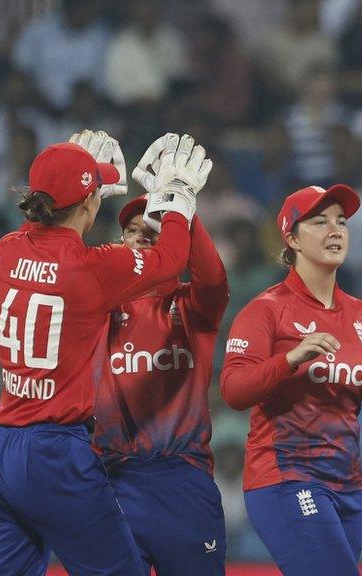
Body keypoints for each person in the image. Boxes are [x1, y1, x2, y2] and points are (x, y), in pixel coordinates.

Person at [0, 131, 210, 575]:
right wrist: (178, 200)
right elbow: (172, 255)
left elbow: (45, 235)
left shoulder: (7, 250)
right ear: (88, 203)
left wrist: (74, 178)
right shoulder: (93, 268)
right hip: (54, 456)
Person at [221, 185, 362, 576]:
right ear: (291, 237)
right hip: (285, 477)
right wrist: (289, 359)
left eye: (342, 222)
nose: (336, 230)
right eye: (320, 221)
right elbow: (234, 390)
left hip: (348, 486)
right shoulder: (265, 311)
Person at [91, 191, 229, 575]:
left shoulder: (193, 305)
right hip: (112, 478)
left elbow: (214, 277)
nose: (141, 236)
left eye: (153, 229)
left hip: (183, 478)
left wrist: (185, 213)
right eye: (132, 230)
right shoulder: (97, 307)